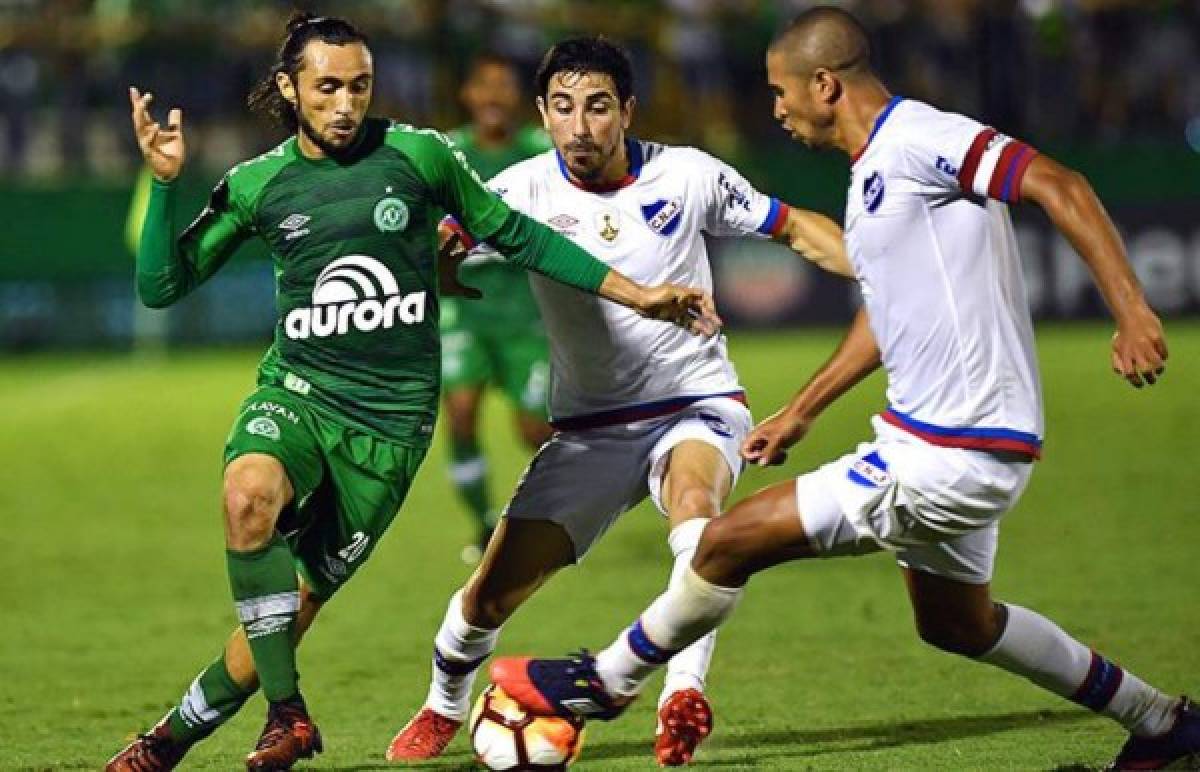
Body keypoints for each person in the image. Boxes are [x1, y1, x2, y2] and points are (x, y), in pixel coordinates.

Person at [491, 8, 1199, 771]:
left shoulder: (923, 138)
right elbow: (883, 319)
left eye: (780, 91)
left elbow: (1060, 182)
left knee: (727, 541)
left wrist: (1132, 311)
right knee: (958, 623)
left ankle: (602, 682)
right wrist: (801, 410)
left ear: (824, 84)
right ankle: (1161, 722)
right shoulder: (868, 184)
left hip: (951, 451)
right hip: (933, 437)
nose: (775, 109)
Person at [105, 13, 718, 772]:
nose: (344, 104)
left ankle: (170, 738)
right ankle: (288, 713)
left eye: (358, 86)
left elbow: (519, 233)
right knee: (247, 496)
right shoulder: (261, 184)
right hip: (300, 391)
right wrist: (165, 184)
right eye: (326, 87)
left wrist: (636, 292)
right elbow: (162, 285)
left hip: (390, 429)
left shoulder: (419, 156)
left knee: (287, 613)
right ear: (290, 90)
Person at [385, 36, 853, 767]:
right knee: (488, 597)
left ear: (627, 111)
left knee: (699, 513)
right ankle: (443, 705)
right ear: (543, 111)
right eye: (564, 108)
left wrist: (872, 268)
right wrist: (441, 262)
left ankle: (681, 695)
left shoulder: (688, 175)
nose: (581, 126)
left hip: (695, 401)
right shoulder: (520, 191)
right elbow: (441, 242)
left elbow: (791, 225)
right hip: (590, 429)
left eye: (598, 107)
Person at [440, 53, 555, 565]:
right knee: (461, 412)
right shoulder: (447, 154)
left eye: (503, 87)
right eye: (483, 86)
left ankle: (560, 514)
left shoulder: (540, 153)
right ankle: (484, 525)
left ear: (519, 99)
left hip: (525, 311)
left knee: (534, 429)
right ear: (468, 95)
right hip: (462, 311)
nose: (492, 97)